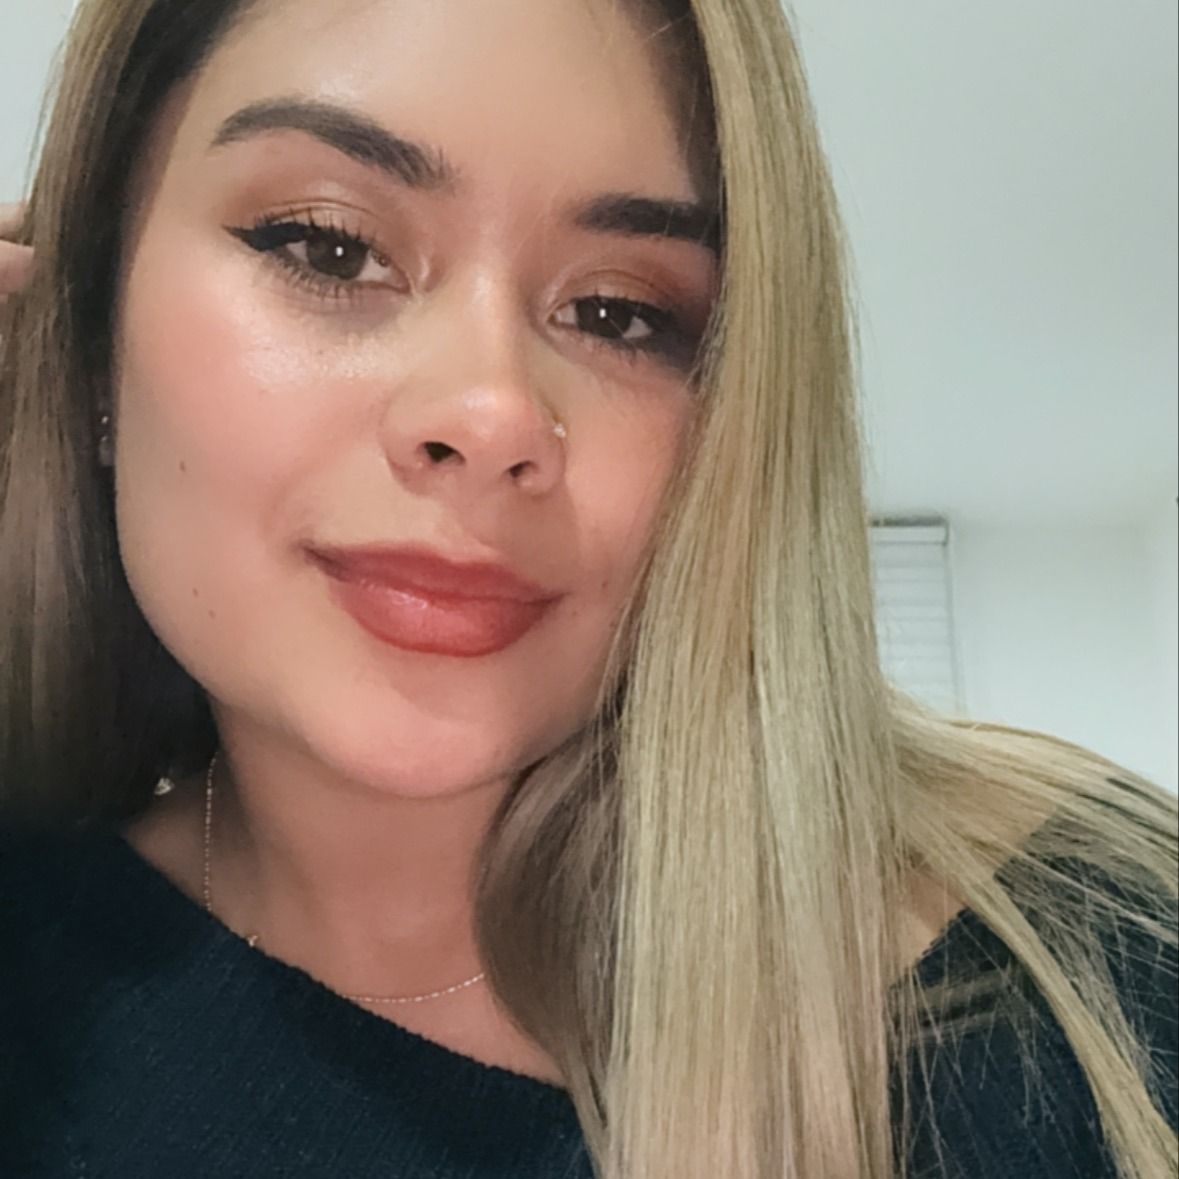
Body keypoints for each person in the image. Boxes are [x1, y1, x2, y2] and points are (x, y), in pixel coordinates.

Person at [0, 0, 1173, 1176]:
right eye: (329, 246)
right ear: (92, 336)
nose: (493, 413)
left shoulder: (1099, 958)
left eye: (620, 315)